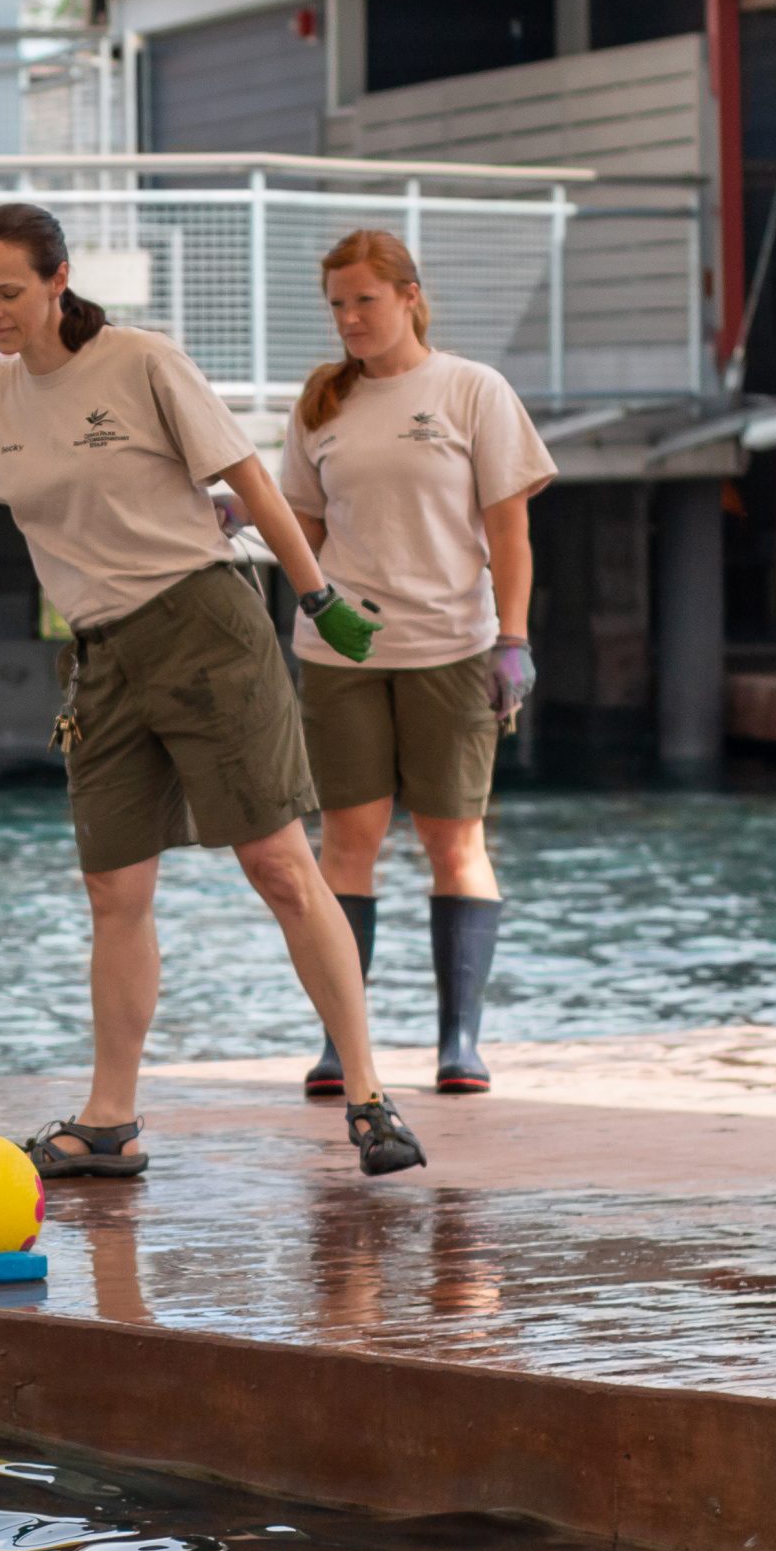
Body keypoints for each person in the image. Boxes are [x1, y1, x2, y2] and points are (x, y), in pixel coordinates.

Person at [0, 202, 428, 1179]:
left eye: (10, 293)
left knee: (279, 864)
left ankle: (367, 1096)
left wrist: (319, 599)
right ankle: (109, 1121)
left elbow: (252, 480)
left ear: (57, 280)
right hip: (102, 656)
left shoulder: (141, 362)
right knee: (114, 888)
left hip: (206, 627)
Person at [261, 229, 555, 1100]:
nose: (350, 318)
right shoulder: (319, 404)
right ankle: (340, 1044)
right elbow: (303, 529)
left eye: (366, 301)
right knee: (346, 845)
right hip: (341, 651)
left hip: (454, 649)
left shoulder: (472, 390)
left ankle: (459, 1041)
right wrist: (246, 522)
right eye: (338, 305)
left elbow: (510, 531)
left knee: (452, 840)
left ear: (410, 296)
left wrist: (514, 637)